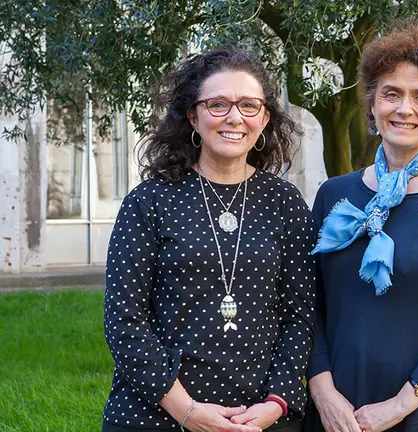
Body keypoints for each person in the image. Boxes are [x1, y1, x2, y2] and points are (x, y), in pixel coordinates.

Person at [102, 46, 316, 432]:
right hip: (158, 415)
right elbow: (124, 320)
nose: (235, 117)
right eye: (218, 104)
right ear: (192, 116)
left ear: (264, 118)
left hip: (261, 418)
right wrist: (186, 410)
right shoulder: (149, 201)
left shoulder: (285, 203)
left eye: (249, 106)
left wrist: (275, 403)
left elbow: (300, 316)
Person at [304, 19, 418, 432]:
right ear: (372, 104)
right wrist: (323, 393)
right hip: (335, 409)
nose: (404, 109)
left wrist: (400, 405)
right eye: (392, 94)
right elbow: (305, 303)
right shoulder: (333, 195)